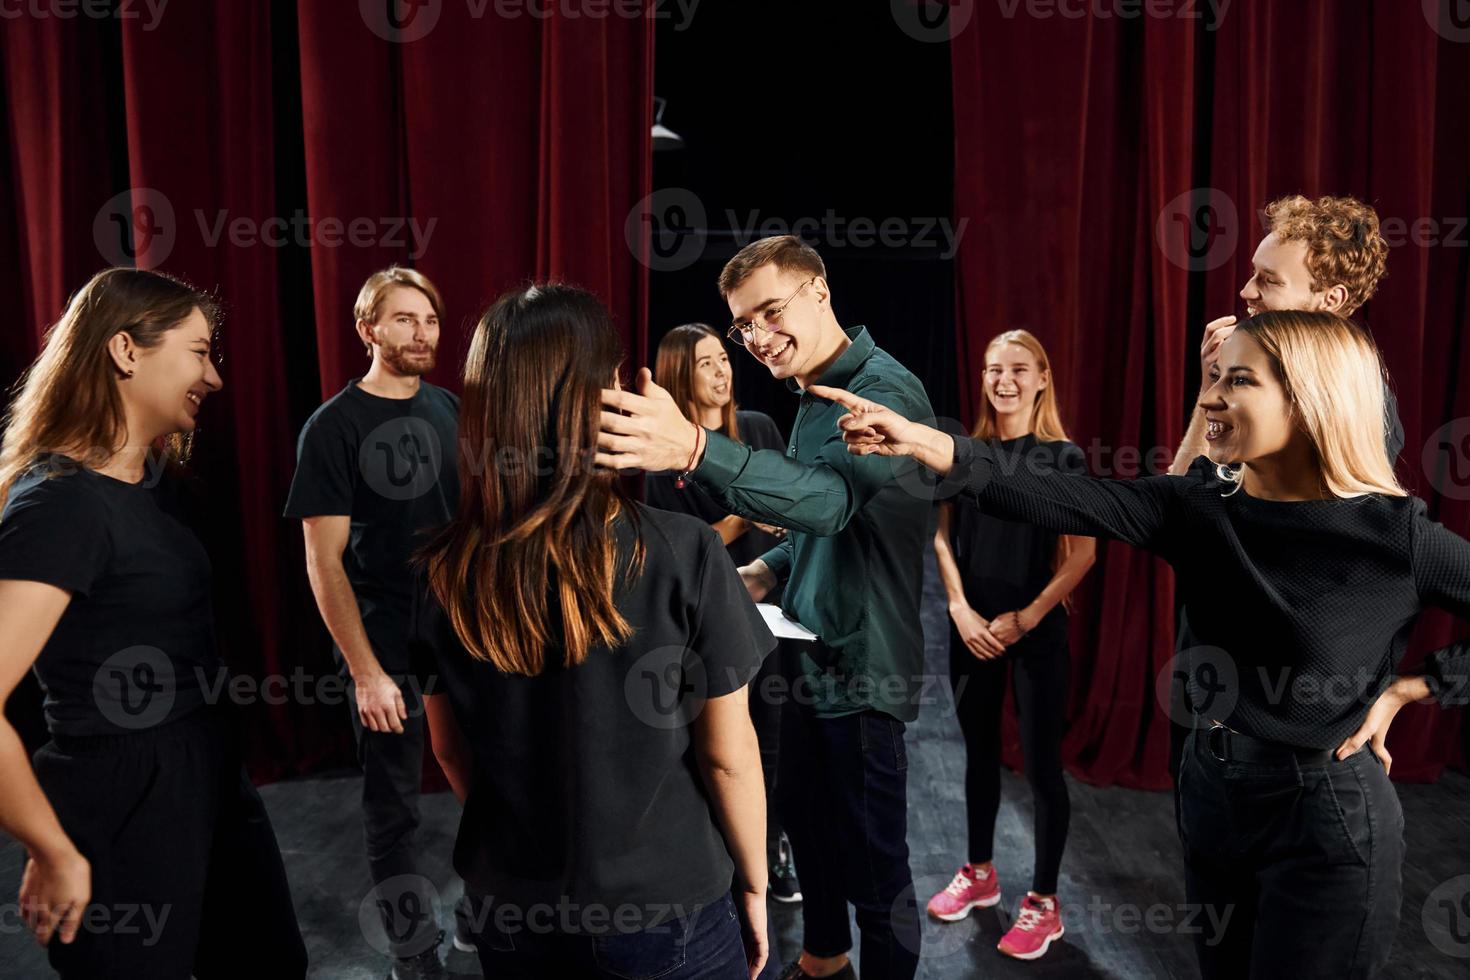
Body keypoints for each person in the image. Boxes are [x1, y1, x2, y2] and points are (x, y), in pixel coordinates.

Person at [811, 309, 1470, 979]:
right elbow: (1066, 497)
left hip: (1325, 813)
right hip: (1213, 790)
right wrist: (929, 443)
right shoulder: (1202, 504)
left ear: (1310, 399)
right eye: (1214, 377)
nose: (1210, 396)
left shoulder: (1394, 535)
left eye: (1237, 380)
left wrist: (1413, 687)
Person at [409, 283, 773, 979]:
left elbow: (451, 753)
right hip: (670, 914)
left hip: (511, 908)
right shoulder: (685, 550)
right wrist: (753, 883)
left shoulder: (441, 574)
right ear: (598, 397)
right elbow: (729, 758)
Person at [597, 235, 934, 980]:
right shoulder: (811, 397)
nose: (757, 339)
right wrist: (758, 571)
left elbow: (833, 501)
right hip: (810, 657)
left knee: (878, 874)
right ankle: (821, 962)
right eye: (744, 327)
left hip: (865, 671)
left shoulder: (885, 389)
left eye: (772, 312)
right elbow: (819, 535)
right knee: (810, 833)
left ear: (820, 291)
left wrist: (692, 448)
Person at [0, 268, 307, 978]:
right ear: (125, 351)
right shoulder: (60, 506)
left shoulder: (153, 484)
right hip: (123, 802)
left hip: (207, 775)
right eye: (200, 352)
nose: (216, 378)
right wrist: (52, 848)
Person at [1165, 194, 1398, 794]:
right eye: (1250, 274)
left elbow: (1379, 573)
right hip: (1208, 703)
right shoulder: (1252, 382)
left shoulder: (1358, 413)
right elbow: (1172, 505)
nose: (1245, 292)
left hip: (1290, 739)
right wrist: (1212, 389)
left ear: (1331, 300)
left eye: (1267, 281)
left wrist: (1397, 689)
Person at [283, 266, 468, 979]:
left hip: (458, 627)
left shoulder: (451, 409)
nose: (420, 333)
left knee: (486, 772)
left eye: (427, 320)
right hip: (380, 634)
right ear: (367, 329)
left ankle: (489, 907)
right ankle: (414, 949)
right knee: (395, 802)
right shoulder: (333, 427)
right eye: (402, 320)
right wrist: (366, 672)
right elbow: (323, 563)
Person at [925, 330, 1095, 961]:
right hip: (971, 628)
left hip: (1034, 631)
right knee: (978, 754)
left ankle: (1043, 905)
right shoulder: (964, 453)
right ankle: (980, 874)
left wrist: (1026, 617)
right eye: (994, 368)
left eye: (1019, 369)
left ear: (1043, 378)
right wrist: (959, 607)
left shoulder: (1064, 458)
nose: (1004, 380)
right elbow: (940, 537)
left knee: (1043, 767)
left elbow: (1083, 554)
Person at [644, 322, 801, 905]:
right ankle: (719, 854)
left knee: (774, 736)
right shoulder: (661, 456)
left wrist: (780, 516)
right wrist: (742, 518)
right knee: (710, 739)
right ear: (679, 373)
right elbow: (673, 551)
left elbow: (791, 505)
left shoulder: (757, 427)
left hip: (768, 613)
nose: (722, 370)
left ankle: (772, 847)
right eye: (706, 363)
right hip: (699, 624)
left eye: (723, 359)